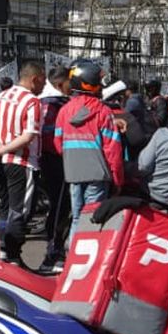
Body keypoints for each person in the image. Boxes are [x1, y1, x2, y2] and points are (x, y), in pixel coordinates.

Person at [54, 58, 125, 253]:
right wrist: (118, 179)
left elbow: (58, 144)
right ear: (90, 84)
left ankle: (72, 254)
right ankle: (87, 258)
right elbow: (113, 150)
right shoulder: (104, 112)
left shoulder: (64, 111)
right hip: (98, 174)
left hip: (74, 173)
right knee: (93, 216)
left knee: (77, 216)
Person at [0, 62, 46, 267]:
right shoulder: (32, 101)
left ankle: (3, 250)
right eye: (43, 81)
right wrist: (3, 149)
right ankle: (13, 255)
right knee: (20, 210)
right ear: (34, 79)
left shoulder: (0, 97)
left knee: (5, 208)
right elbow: (28, 135)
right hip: (22, 162)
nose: (43, 85)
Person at [39, 67, 72, 267]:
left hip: (50, 159)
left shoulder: (46, 101)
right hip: (55, 160)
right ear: (60, 84)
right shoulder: (53, 105)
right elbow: (50, 136)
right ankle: (53, 252)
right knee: (59, 207)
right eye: (70, 82)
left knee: (59, 206)